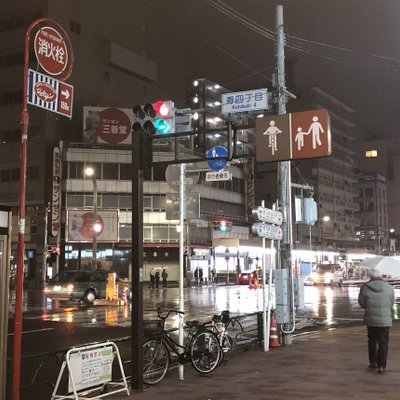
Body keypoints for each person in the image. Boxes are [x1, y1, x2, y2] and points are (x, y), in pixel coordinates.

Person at [358, 269, 395, 374]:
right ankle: (381, 366)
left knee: (372, 341)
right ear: (381, 276)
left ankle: (373, 362)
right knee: (383, 342)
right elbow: (391, 303)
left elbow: (361, 302)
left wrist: (369, 308)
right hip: (385, 319)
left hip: (371, 319)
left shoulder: (365, 287)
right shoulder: (389, 288)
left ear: (370, 277)